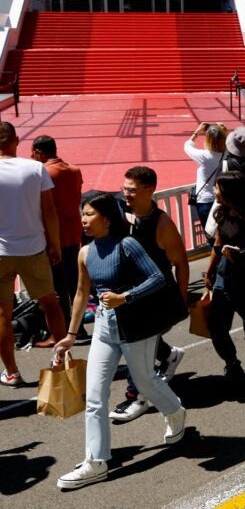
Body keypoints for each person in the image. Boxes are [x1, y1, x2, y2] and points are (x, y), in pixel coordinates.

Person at [52, 194, 186, 490]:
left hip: (135, 326)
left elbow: (158, 278)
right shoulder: (85, 252)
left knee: (146, 382)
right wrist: (71, 335)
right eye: (82, 214)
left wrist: (125, 297)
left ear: (107, 219)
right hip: (104, 327)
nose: (83, 220)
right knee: (95, 396)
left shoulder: (127, 245)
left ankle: (175, 411)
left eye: (89, 214)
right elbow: (80, 293)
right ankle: (96, 462)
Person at [109, 166, 189, 424]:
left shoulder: (162, 224)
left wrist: (182, 297)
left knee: (135, 348)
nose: (126, 195)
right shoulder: (119, 213)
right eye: (124, 189)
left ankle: (136, 398)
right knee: (134, 343)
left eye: (132, 191)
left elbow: (181, 262)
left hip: (154, 298)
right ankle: (169, 355)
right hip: (126, 296)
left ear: (150, 190)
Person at [0, 123, 67, 387]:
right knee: (51, 303)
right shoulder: (36, 168)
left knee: (3, 314)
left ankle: (12, 372)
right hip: (33, 249)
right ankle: (61, 360)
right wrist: (55, 245)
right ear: (16, 140)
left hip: (1, 252)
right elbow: (49, 211)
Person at [202, 173, 245, 390]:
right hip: (224, 276)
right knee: (216, 326)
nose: (214, 191)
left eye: (217, 188)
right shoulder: (222, 212)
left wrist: (236, 256)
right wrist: (210, 271)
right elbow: (218, 243)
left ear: (230, 191)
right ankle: (232, 364)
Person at [30, 135, 83, 332]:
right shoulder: (74, 170)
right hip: (73, 233)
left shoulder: (42, 173)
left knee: (57, 285)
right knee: (74, 281)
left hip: (53, 236)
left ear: (38, 152)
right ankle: (78, 326)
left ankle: (66, 326)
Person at [184, 121, 226, 233]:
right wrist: (223, 132)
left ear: (208, 140)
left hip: (205, 200)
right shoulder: (227, 154)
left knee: (210, 234)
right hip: (223, 200)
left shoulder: (204, 156)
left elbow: (187, 146)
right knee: (224, 233)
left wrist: (197, 132)